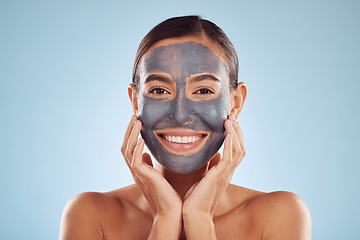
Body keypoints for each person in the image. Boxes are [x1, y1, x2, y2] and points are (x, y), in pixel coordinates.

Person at [59, 15, 311, 240]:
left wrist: (200, 219)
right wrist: (165, 219)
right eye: (159, 90)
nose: (180, 115)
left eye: (203, 90)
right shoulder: (89, 215)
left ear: (235, 102)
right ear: (135, 101)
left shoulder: (280, 215)